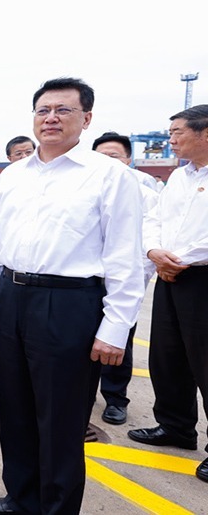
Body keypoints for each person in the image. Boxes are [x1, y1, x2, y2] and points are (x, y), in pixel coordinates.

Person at [0, 77, 145, 515]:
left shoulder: (110, 176)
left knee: (62, 422)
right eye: (43, 110)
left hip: (70, 304)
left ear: (86, 119)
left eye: (63, 110)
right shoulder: (13, 175)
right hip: (13, 296)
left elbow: (124, 257)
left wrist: (116, 328)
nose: (51, 118)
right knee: (16, 410)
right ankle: (21, 498)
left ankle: (56, 508)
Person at [128, 104, 208, 484]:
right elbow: (154, 219)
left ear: (206, 133)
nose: (170, 139)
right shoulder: (177, 177)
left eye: (177, 132)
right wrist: (154, 251)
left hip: (202, 277)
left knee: (206, 363)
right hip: (170, 275)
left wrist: (179, 259)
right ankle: (176, 426)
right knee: (167, 356)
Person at [87, 131, 159, 426]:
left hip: (121, 283)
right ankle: (84, 394)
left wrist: (132, 284)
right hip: (85, 284)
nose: (108, 162)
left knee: (119, 343)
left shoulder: (145, 193)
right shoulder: (84, 188)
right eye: (101, 156)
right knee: (81, 343)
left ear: (128, 159)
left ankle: (116, 399)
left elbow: (147, 241)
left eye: (114, 156)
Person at [94, 131, 159, 192]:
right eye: (101, 156)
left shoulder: (143, 180)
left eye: (113, 156)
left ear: (128, 161)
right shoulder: (87, 179)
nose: (107, 160)